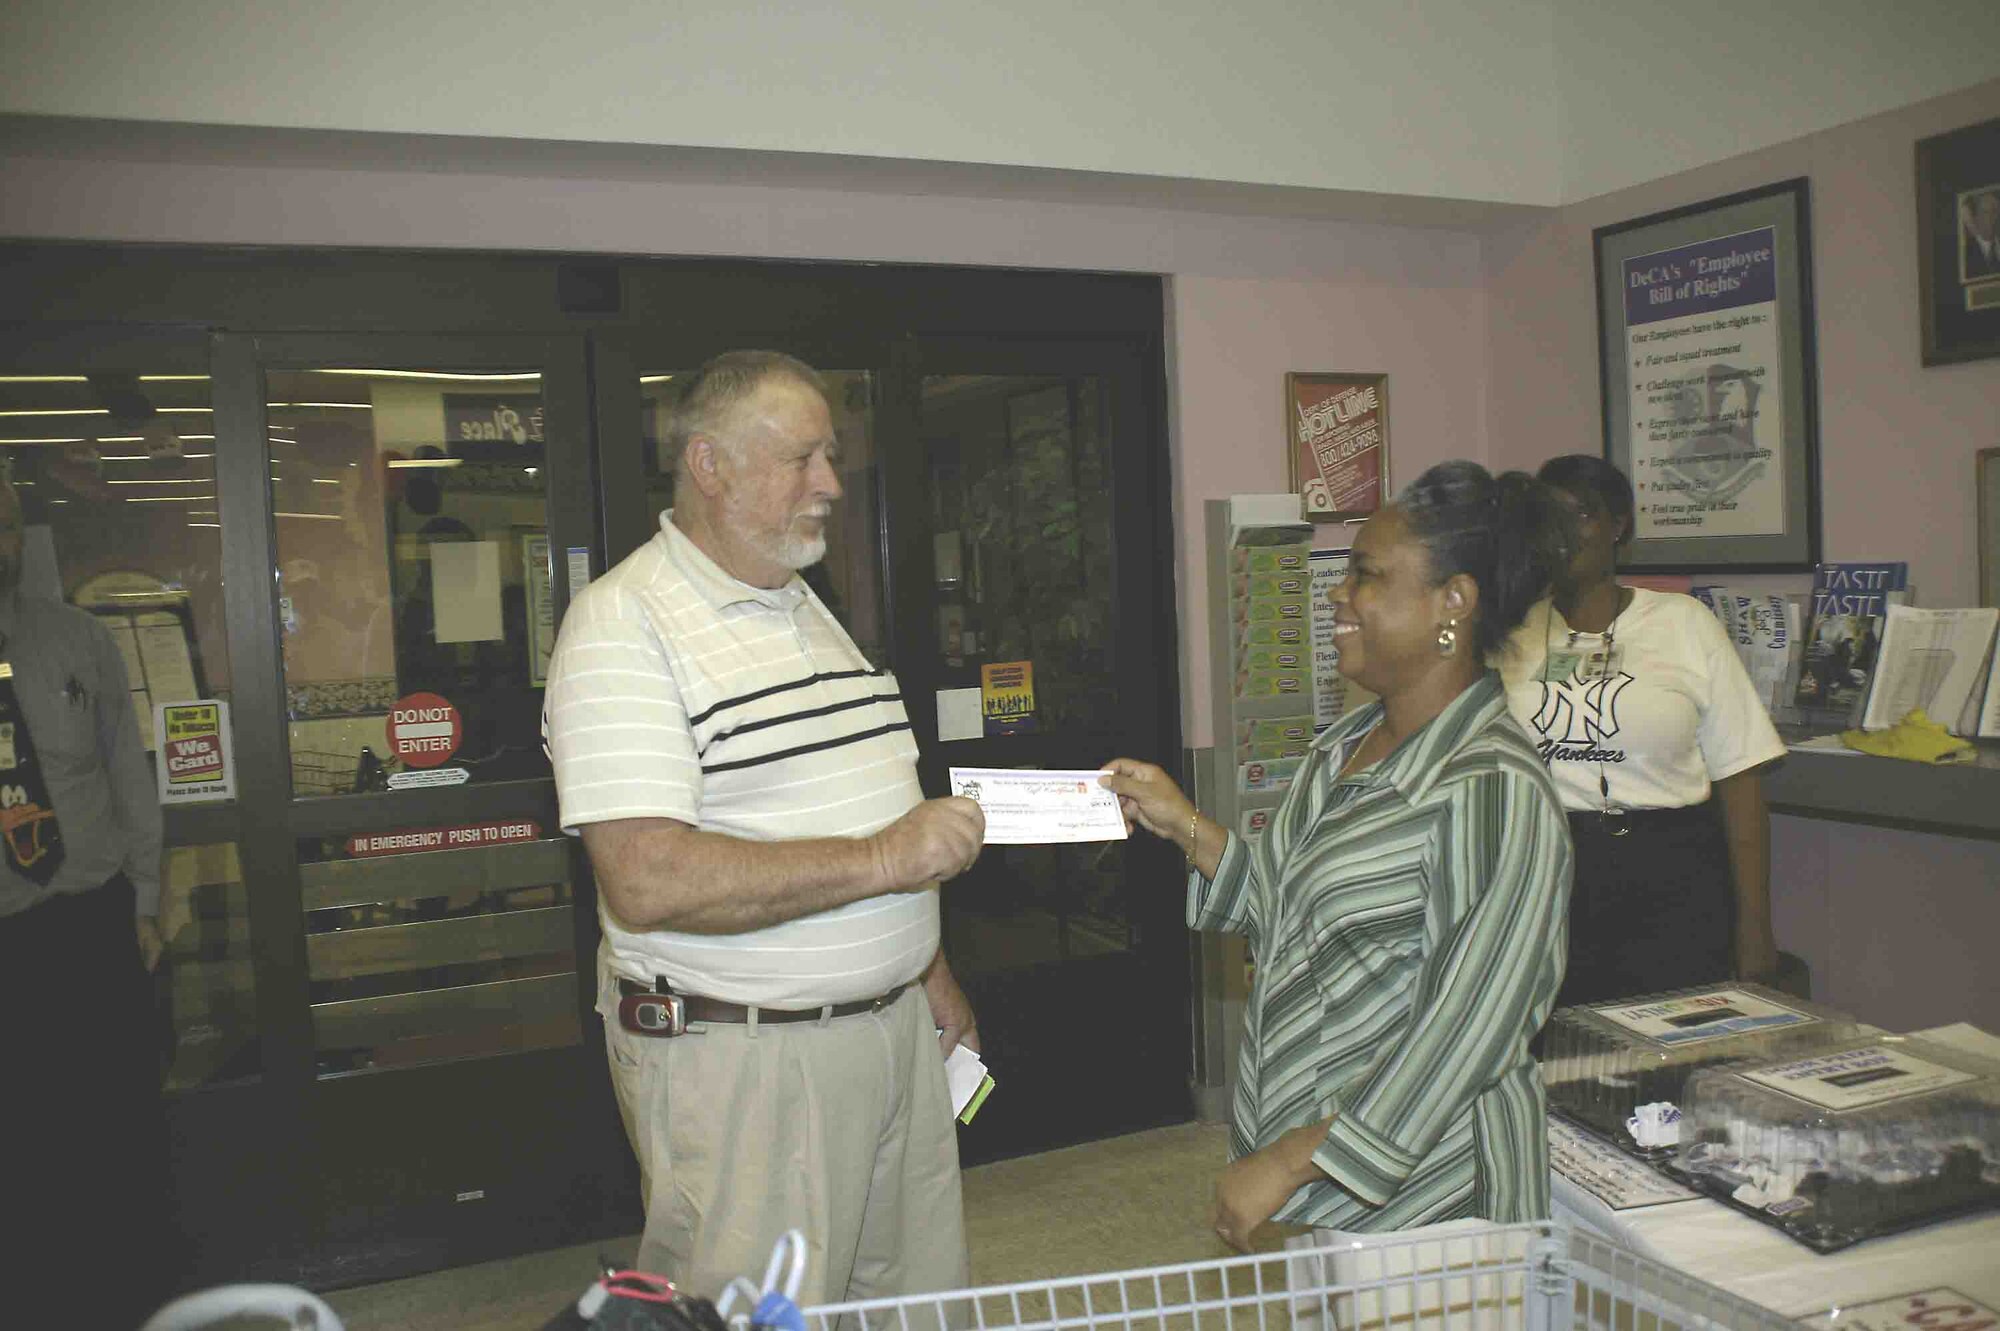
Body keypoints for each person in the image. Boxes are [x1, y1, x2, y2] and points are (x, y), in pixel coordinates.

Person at [542, 351, 986, 1304]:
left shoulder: (801, 603)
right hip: (745, 1060)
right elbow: (647, 876)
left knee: (905, 1305)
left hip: (890, 1034)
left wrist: (923, 967)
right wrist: (882, 859)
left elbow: (848, 796)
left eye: (830, 455)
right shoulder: (622, 624)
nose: (830, 483)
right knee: (750, 1312)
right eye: (803, 458)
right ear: (710, 465)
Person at [1103, 461, 1573, 1248]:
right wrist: (1184, 824)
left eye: (1367, 577)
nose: (1338, 597)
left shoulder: (1492, 788)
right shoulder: (1346, 747)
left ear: (1451, 603)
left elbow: (1466, 1032)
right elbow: (1285, 910)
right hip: (1331, 1184)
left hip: (1434, 1198)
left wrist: (1290, 1161)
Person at [1498, 455, 1785, 1007]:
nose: (1562, 535)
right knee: (1560, 1062)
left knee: (1672, 1063)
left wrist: (1755, 931)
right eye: (1547, 519)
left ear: (1618, 525)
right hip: (1545, 878)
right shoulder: (1511, 631)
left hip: (1670, 875)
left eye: (1580, 514)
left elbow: (1742, 780)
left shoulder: (1682, 623)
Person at [0, 471, 171, 1325]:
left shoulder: (76, 641)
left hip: (89, 925)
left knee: (115, 1136)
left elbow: (128, 776)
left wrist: (145, 901)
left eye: (2, 521)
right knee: (21, 1154)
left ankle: (130, 1305)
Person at [1963, 188, 2000, 281]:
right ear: (1976, 217)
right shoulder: (1966, 251)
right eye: (1985, 212)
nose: (1990, 218)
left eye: (1994, 211)